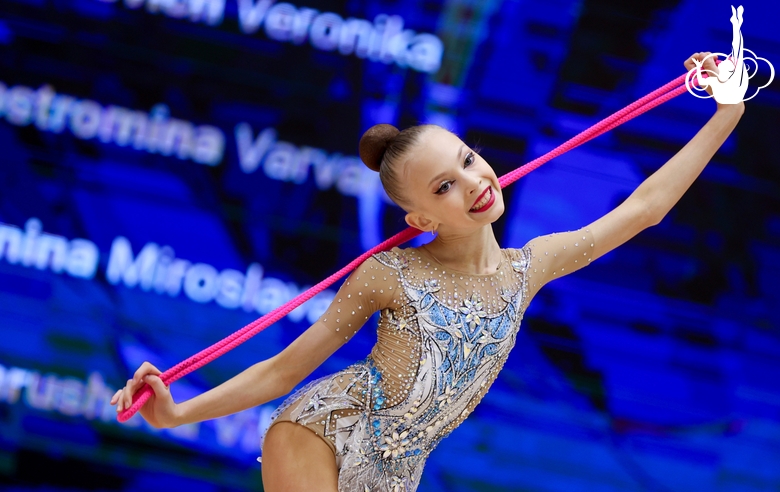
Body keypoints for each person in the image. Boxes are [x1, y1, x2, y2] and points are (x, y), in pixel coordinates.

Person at [110, 52, 743, 492]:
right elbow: (284, 369)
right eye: (444, 186)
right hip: (322, 434)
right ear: (419, 218)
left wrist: (726, 114)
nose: (473, 182)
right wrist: (177, 414)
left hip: (398, 474)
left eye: (468, 161)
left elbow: (646, 209)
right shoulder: (389, 274)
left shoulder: (533, 266)